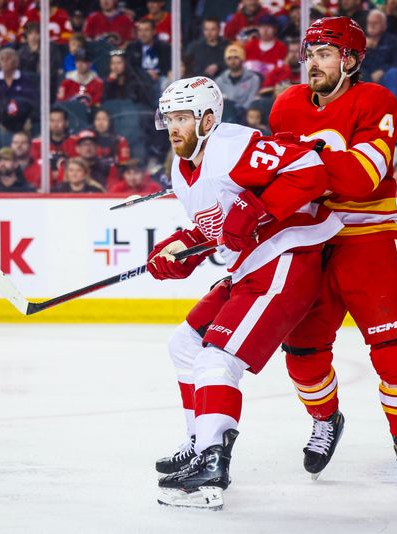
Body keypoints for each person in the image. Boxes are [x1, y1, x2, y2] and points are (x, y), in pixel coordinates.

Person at [150, 76, 342, 509]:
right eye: (169, 118)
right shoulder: (182, 169)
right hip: (251, 266)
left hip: (288, 256)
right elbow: (214, 228)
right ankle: (199, 443)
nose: (174, 126)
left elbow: (309, 170)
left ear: (208, 118)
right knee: (184, 344)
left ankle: (212, 465)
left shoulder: (231, 145)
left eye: (182, 117)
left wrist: (256, 210)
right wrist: (177, 252)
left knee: (218, 356)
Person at [269, 17, 397, 489]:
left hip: (370, 241)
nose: (313, 63)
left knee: (395, 351)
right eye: (310, 54)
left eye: (324, 54)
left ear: (349, 60)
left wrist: (299, 165)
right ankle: (325, 420)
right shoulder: (286, 106)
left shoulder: (375, 100)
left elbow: (363, 177)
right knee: (302, 350)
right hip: (309, 241)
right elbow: (273, 180)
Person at [360, 10, 397, 101]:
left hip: (386, 77)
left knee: (394, 73)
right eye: (369, 22)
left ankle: (390, 109)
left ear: (384, 26)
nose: (371, 25)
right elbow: (354, 65)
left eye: (375, 23)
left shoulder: (392, 41)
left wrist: (383, 70)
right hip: (366, 79)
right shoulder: (360, 41)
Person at [215, 43, 261, 118]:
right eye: (229, 58)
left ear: (242, 59)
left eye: (236, 57)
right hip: (226, 116)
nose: (233, 61)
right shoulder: (219, 81)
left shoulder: (253, 79)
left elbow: (251, 100)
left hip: (246, 116)